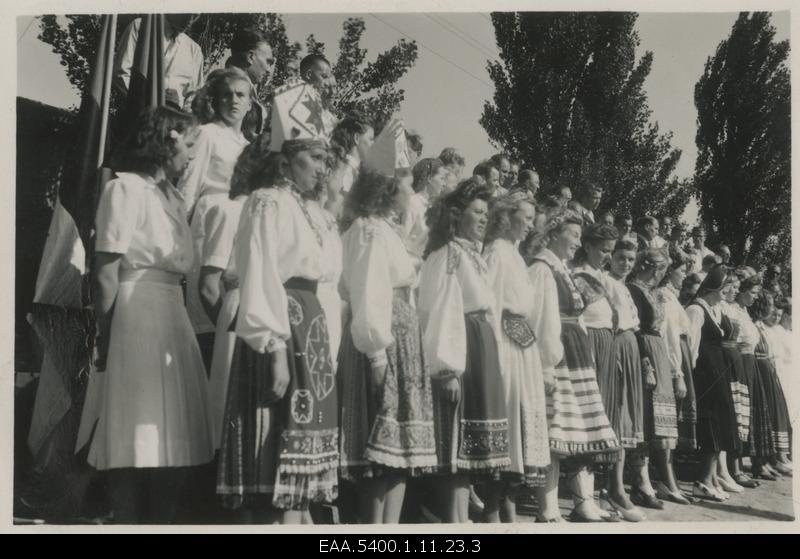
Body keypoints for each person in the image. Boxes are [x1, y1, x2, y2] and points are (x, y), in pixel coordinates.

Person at [216, 81, 338, 524]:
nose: (322, 169)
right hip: (282, 331)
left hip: (312, 329)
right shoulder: (267, 203)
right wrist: (275, 350)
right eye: (315, 158)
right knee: (272, 460)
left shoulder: (308, 210)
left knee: (301, 485)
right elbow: (263, 274)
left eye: (326, 159)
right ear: (286, 160)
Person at [85, 106, 214, 523]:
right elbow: (105, 273)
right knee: (134, 439)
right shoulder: (124, 190)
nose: (193, 155)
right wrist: (107, 340)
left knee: (174, 444)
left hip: (174, 318)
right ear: (168, 139)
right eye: (190, 144)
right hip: (135, 319)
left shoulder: (172, 197)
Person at [338, 167, 437, 524]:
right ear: (389, 187)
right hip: (382, 343)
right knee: (379, 453)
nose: (412, 191)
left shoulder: (382, 230)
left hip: (401, 344)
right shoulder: (368, 231)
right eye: (408, 184)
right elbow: (369, 291)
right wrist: (378, 358)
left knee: (399, 454)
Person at [417, 179, 510, 523]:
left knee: (470, 448)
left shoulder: (473, 254)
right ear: (457, 215)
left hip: (481, 347)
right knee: (456, 442)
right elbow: (441, 310)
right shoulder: (448, 254)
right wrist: (446, 369)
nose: (484, 219)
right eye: (477, 212)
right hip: (463, 349)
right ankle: (453, 520)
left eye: (487, 212)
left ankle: (461, 519)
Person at [528, 207, 620, 522]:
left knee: (577, 432)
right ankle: (548, 509)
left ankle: (584, 502)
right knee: (555, 433)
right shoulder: (542, 269)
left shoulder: (561, 268)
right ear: (554, 232)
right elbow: (539, 321)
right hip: (558, 358)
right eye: (574, 235)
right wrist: (546, 366)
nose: (579, 243)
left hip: (577, 357)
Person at [178, 67, 253, 368]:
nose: (233, 101)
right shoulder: (207, 134)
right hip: (209, 224)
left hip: (238, 227)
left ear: (250, 102)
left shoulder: (249, 145)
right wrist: (179, 241)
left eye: (240, 95)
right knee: (208, 304)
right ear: (215, 100)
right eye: (226, 95)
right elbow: (187, 188)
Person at [483, 191, 551, 523]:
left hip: (521, 341)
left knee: (524, 420)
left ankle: (508, 502)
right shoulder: (496, 251)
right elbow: (492, 306)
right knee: (509, 420)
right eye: (523, 218)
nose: (528, 225)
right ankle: (492, 510)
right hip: (506, 345)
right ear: (506, 217)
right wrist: (494, 354)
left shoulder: (514, 253)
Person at [572, 225, 645, 521]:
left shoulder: (601, 277)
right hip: (588, 344)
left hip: (608, 345)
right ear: (588, 246)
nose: (607, 257)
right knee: (587, 422)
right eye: (604, 250)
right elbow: (575, 316)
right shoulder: (577, 275)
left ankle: (597, 494)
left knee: (606, 422)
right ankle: (581, 499)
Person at [627, 249, 680, 510]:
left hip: (657, 349)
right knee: (645, 418)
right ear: (652, 267)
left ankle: (645, 481)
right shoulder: (634, 290)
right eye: (661, 270)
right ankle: (641, 481)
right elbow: (635, 328)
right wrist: (644, 361)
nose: (662, 275)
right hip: (644, 351)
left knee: (657, 421)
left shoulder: (654, 293)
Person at [686, 265, 740, 501]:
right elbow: (690, 346)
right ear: (716, 285)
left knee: (721, 425)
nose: (730, 290)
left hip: (719, 374)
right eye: (727, 285)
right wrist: (690, 377)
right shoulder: (697, 310)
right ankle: (701, 481)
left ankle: (710, 478)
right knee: (710, 428)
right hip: (705, 375)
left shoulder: (717, 309)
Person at [605, 239, 649, 510]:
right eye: (621, 257)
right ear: (611, 257)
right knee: (617, 417)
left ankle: (617, 485)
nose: (626, 263)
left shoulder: (624, 287)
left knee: (627, 418)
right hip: (616, 346)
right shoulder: (605, 282)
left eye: (631, 260)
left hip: (631, 347)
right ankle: (613, 487)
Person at [656, 248, 699, 502]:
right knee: (665, 423)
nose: (684, 275)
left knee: (671, 424)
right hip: (670, 362)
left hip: (679, 359)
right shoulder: (663, 296)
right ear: (669, 272)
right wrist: (677, 372)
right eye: (682, 271)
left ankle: (668, 480)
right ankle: (666, 480)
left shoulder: (672, 297)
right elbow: (670, 336)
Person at [114, 14, 204, 109]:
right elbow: (121, 73)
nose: (190, 19)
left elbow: (194, 96)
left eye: (195, 16)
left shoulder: (194, 50)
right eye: (189, 13)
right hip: (138, 114)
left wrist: (180, 112)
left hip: (173, 119)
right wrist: (147, 101)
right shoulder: (141, 28)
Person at [752, 293, 792, 476]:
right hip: (759, 368)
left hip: (770, 370)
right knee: (763, 415)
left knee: (774, 415)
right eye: (769, 307)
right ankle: (761, 461)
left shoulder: (765, 328)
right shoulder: (757, 326)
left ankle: (773, 459)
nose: (772, 312)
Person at [224, 27, 275, 137]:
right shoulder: (230, 87)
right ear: (251, 57)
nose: (268, 70)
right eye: (268, 62)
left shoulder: (236, 85)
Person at [401, 158, 448, 268]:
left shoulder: (433, 207)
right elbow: (403, 237)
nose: (444, 184)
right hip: (411, 265)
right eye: (441, 178)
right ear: (430, 178)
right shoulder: (413, 203)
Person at [328, 113, 375, 195]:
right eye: (370, 139)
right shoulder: (346, 173)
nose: (374, 144)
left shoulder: (353, 172)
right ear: (357, 138)